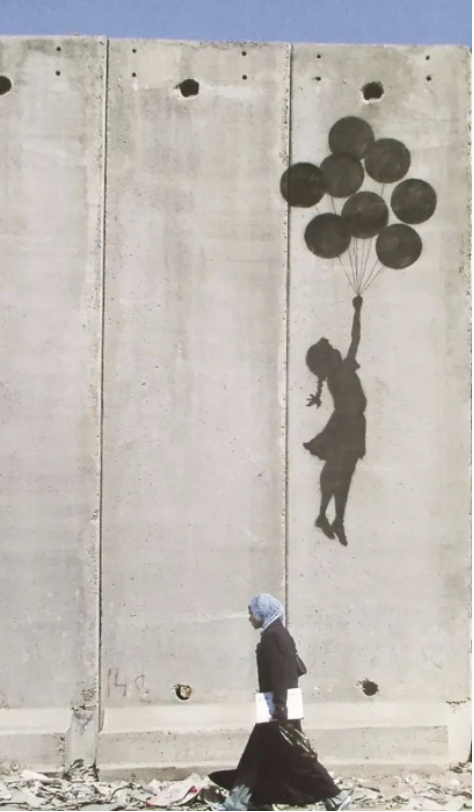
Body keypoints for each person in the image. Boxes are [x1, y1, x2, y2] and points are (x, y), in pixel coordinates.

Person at [209, 594, 351, 811]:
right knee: (255, 758)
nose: (249, 618)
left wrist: (280, 708)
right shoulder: (277, 633)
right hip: (276, 709)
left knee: (300, 759)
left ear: (262, 612)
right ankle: (237, 803)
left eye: (252, 613)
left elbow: (280, 675)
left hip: (277, 711)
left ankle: (337, 798)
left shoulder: (273, 636)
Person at [304, 296, 366, 546]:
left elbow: (355, 340)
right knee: (337, 471)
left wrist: (357, 311)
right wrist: (357, 311)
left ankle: (337, 518)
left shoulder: (338, 373)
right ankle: (323, 515)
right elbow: (356, 338)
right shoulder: (341, 371)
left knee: (344, 473)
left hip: (354, 425)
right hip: (345, 424)